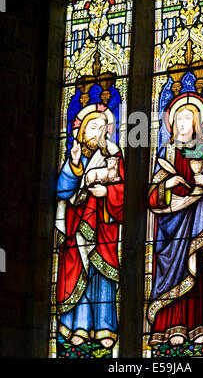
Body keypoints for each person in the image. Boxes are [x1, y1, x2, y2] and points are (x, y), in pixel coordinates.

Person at [147, 103, 203, 346]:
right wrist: (167, 186)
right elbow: (151, 195)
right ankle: (169, 327)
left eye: (187, 118)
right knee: (171, 270)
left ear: (197, 124)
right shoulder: (168, 153)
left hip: (197, 221)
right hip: (170, 225)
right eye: (178, 118)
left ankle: (199, 326)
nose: (181, 123)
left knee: (198, 269)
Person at [55, 109, 124, 349]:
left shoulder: (113, 154)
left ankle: (105, 327)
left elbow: (125, 192)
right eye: (93, 127)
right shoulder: (76, 157)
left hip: (104, 226)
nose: (99, 132)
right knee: (78, 275)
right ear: (83, 131)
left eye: (103, 128)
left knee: (102, 276)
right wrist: (73, 163)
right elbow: (63, 192)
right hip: (77, 226)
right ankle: (79, 327)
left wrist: (108, 192)